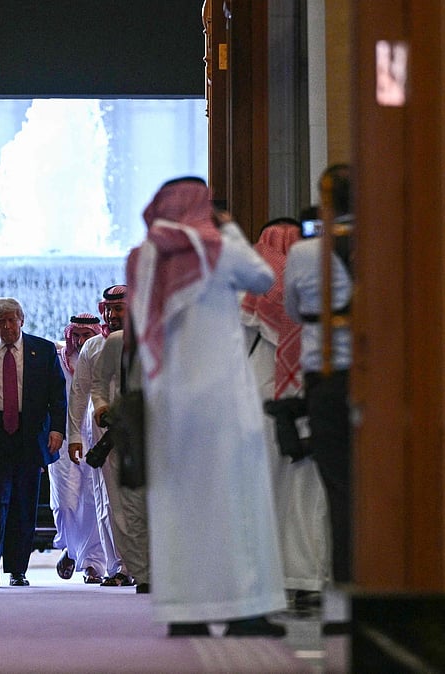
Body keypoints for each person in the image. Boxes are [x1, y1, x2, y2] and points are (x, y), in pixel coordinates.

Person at [127, 176, 286, 637]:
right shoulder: (219, 248)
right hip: (223, 400)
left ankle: (184, 610)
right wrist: (231, 228)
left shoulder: (145, 256)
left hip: (169, 400)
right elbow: (264, 277)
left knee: (177, 505)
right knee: (236, 500)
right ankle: (243, 610)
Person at [240, 217, 331, 609]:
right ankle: (307, 578)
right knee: (308, 493)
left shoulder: (249, 286)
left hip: (258, 401)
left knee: (262, 492)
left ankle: (268, 580)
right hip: (306, 395)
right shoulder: (318, 279)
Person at [0, 297, 67, 588]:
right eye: (0, 321)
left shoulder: (42, 350)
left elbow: (58, 395)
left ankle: (17, 569)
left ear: (22, 320)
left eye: (11, 320)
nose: (6, 326)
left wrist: (57, 430)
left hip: (29, 435)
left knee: (23, 503)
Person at [283, 164, 354, 589]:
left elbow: (293, 311)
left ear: (325, 203)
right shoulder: (385, 244)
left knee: (338, 486)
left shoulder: (304, 253)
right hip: (376, 380)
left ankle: (343, 586)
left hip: (325, 380)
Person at [67, 286, 130, 586]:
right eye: (109, 310)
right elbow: (79, 394)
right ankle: (117, 568)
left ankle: (141, 567)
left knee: (139, 501)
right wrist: (74, 435)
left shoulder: (148, 342)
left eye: (119, 309)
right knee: (106, 501)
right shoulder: (92, 347)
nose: (112, 315)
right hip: (103, 434)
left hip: (140, 430)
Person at [89, 327, 151, 594]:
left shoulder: (173, 334)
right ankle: (143, 574)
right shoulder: (116, 342)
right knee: (127, 506)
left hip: (166, 431)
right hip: (125, 431)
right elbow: (99, 382)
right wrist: (101, 405)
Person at [49, 314, 109, 582]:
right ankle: (72, 550)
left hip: (97, 438)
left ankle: (92, 564)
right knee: (65, 504)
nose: (83, 340)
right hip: (63, 441)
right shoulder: (58, 362)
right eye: (78, 336)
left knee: (94, 501)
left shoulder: (104, 358)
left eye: (88, 335)